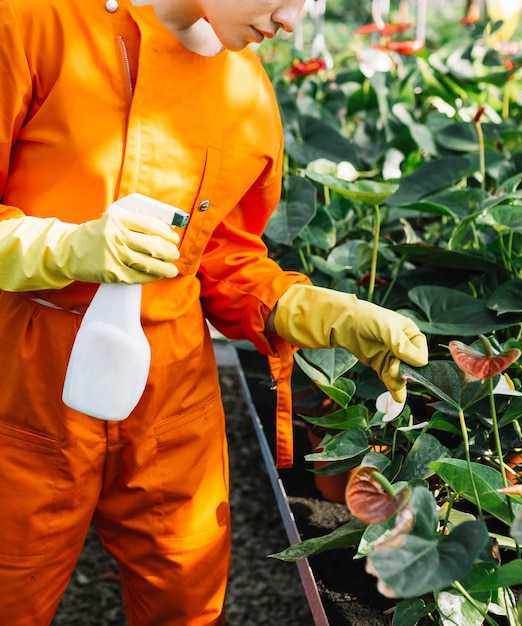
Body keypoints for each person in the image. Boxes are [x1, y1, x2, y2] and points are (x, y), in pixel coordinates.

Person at [0, 0, 428, 624]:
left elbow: (224, 258)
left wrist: (314, 310)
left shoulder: (244, 87)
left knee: (186, 593)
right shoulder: (35, 24)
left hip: (172, 391)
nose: (291, 19)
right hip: (24, 376)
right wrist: (63, 247)